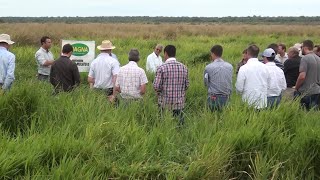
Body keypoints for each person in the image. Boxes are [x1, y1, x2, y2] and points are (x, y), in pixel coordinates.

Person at [153, 45, 189, 125]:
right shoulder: (184, 67)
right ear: (174, 54)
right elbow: (186, 85)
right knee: (179, 127)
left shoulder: (161, 68)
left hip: (164, 104)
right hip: (179, 104)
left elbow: (156, 86)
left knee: (164, 126)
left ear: (165, 53)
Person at [236, 45, 270, 110]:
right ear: (258, 54)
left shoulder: (243, 68)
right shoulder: (265, 67)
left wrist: (240, 93)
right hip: (262, 102)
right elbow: (268, 84)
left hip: (248, 102)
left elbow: (239, 88)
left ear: (248, 53)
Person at [204, 45, 233, 111]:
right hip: (226, 97)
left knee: (212, 118)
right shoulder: (230, 66)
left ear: (212, 53)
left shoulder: (208, 67)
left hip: (213, 97)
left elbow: (206, 83)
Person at [294, 40, 320, 110]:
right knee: (313, 114)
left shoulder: (305, 58)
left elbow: (302, 76)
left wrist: (296, 87)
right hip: (317, 91)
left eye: (301, 47)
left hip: (306, 92)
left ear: (305, 48)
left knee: (303, 113)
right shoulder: (318, 59)